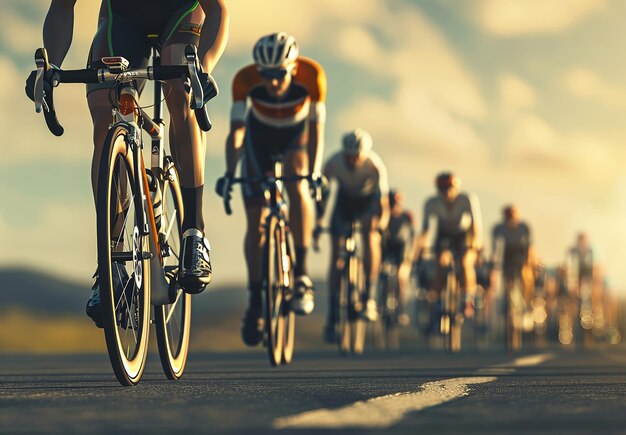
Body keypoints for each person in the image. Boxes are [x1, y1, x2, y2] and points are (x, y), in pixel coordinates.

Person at [25, 0, 229, 327]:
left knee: (181, 89)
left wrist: (203, 66)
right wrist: (49, 69)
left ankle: (194, 232)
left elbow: (217, 10)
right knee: (105, 117)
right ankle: (112, 263)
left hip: (181, 12)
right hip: (122, 18)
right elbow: (62, 8)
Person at [216, 32, 327, 346]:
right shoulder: (244, 79)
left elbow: (317, 128)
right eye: (266, 74)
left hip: (296, 136)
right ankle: (255, 303)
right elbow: (237, 133)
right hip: (258, 138)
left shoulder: (313, 76)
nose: (272, 81)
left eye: (279, 74)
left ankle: (302, 276)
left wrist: (315, 172)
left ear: (292, 68)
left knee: (297, 179)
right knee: (255, 223)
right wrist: (229, 171)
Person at [314, 129, 390, 343]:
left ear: (364, 154)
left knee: (369, 234)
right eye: (348, 156)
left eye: (356, 156)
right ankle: (332, 314)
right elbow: (322, 195)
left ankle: (368, 296)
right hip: (344, 202)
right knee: (336, 254)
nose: (352, 160)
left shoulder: (374, 165)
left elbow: (382, 203)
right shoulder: (333, 162)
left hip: (368, 201)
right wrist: (320, 221)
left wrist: (381, 224)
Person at [415, 172, 483, 317]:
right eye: (443, 190)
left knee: (465, 262)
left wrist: (474, 245)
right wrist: (420, 249)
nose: (446, 193)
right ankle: (437, 301)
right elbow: (425, 230)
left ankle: (467, 297)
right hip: (444, 235)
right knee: (441, 262)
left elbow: (475, 226)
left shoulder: (467, 199)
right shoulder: (431, 203)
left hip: (463, 235)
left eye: (449, 189)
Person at [381, 190, 415, 326]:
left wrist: (409, 257)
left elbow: (411, 239)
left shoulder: (406, 217)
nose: (394, 207)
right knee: (382, 272)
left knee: (401, 277)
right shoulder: (383, 216)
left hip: (402, 249)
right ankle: (382, 302)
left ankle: (401, 310)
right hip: (386, 247)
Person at [492, 205, 534, 305]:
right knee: (505, 275)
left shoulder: (524, 227)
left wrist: (527, 260)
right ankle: (506, 297)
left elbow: (529, 245)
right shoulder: (498, 228)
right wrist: (495, 259)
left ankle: (526, 301)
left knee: (524, 273)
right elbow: (495, 246)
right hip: (507, 251)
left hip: (520, 251)